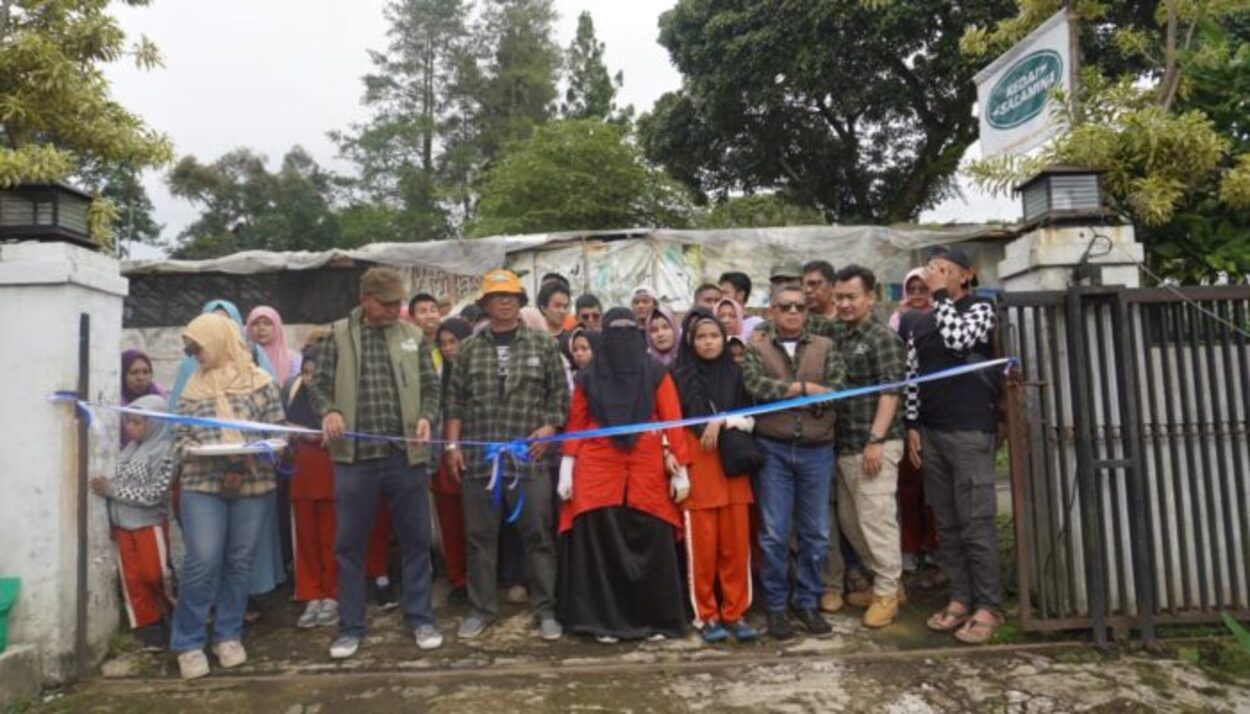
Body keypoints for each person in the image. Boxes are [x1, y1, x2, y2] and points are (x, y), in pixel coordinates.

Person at [310, 267, 444, 660]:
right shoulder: (336, 336)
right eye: (386, 304)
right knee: (349, 545)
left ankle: (420, 618)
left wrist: (426, 417)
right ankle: (350, 626)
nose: (394, 310)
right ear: (365, 299)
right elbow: (318, 387)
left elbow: (431, 388)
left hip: (406, 456)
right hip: (354, 460)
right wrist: (329, 410)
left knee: (416, 541)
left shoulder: (413, 336)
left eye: (398, 303)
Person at [444, 269, 568, 641]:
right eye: (497, 296)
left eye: (512, 296)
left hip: (528, 457)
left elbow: (560, 398)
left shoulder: (543, 345)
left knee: (539, 535)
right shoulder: (468, 349)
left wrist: (550, 427)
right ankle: (482, 608)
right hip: (481, 458)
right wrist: (451, 446)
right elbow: (455, 402)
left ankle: (546, 609)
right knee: (480, 536)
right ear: (484, 304)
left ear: (521, 302)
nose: (505, 301)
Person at [556, 307, 692, 642]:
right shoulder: (588, 376)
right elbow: (576, 423)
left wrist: (681, 469)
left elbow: (672, 420)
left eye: (629, 334)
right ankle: (604, 622)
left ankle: (656, 619)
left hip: (646, 471)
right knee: (601, 547)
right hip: (598, 472)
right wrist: (567, 467)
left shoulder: (656, 373)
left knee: (651, 542)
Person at [169, 313, 285, 680]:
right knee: (203, 559)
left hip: (253, 485)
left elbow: (277, 431)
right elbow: (179, 438)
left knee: (239, 560)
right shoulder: (192, 387)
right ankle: (188, 642)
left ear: (220, 341)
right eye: (190, 347)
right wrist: (193, 448)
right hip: (202, 484)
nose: (193, 353)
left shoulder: (260, 382)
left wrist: (258, 446)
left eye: (198, 346)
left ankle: (228, 635)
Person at [901, 246, 1004, 645]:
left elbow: (959, 341)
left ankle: (989, 604)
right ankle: (961, 597)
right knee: (947, 522)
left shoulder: (980, 308)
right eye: (931, 270)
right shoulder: (919, 323)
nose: (934, 277)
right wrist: (912, 425)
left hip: (971, 431)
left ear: (966, 275)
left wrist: (941, 295)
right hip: (933, 432)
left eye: (944, 270)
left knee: (976, 521)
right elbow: (913, 377)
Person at [742, 284, 845, 640]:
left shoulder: (826, 347)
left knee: (815, 534)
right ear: (772, 311)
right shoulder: (756, 348)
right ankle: (776, 606)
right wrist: (803, 390)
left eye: (799, 307)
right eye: (784, 306)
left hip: (817, 450)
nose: (792, 312)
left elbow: (837, 390)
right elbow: (756, 387)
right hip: (773, 450)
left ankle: (807, 601)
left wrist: (802, 394)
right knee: (774, 534)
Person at [672, 309, 758, 644]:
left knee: (736, 548)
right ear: (691, 342)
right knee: (703, 550)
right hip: (699, 470)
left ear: (724, 339)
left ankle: (735, 613)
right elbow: (670, 428)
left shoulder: (738, 374)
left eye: (714, 336)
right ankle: (706, 615)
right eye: (701, 337)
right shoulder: (677, 377)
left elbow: (754, 419)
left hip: (733, 469)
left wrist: (723, 420)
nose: (708, 343)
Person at [829, 265, 907, 628]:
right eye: (839, 297)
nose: (844, 304)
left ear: (871, 297)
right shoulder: (840, 337)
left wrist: (876, 439)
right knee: (851, 521)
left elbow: (890, 391)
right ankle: (887, 583)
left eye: (851, 297)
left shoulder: (882, 338)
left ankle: (888, 592)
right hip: (845, 446)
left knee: (877, 520)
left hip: (875, 445)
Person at [91, 394, 176, 652]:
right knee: (132, 580)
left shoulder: (167, 452)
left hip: (148, 524)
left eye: (138, 423)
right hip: (123, 527)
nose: (131, 428)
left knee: (156, 575)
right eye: (129, 422)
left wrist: (112, 490)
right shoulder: (127, 451)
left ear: (155, 424)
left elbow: (154, 494)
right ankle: (149, 625)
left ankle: (174, 614)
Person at [283, 344, 339, 629]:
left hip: (332, 482)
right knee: (305, 540)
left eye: (316, 374)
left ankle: (332, 594)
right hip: (301, 482)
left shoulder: (338, 406)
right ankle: (310, 594)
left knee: (331, 538)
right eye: (305, 373)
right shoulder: (294, 402)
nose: (310, 380)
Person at [890, 268, 938, 578]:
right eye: (913, 289)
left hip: (935, 414)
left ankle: (933, 547)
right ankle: (908, 547)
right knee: (907, 489)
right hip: (903, 416)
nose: (918, 295)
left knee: (934, 490)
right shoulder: (896, 323)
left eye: (924, 289)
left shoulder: (941, 321)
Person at [432, 318, 474, 604]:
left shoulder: (478, 372)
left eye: (453, 341)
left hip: (477, 455)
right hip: (443, 458)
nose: (448, 349)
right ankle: (458, 577)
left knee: (476, 522)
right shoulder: (436, 378)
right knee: (450, 521)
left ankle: (481, 576)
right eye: (443, 343)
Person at [247, 306, 302, 384]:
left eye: (267, 323)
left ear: (277, 327)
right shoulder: (242, 358)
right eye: (255, 323)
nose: (261, 328)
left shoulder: (294, 359)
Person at [719, 271, 763, 336]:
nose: (721, 297)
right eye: (720, 293)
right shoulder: (716, 322)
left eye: (726, 293)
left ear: (741, 295)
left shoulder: (757, 324)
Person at [409, 292, 444, 372]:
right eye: (423, 312)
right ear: (412, 318)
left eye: (433, 310)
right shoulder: (408, 346)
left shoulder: (446, 343)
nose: (430, 316)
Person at [557, 326, 596, 391]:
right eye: (575, 350)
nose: (579, 354)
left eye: (584, 348)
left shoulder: (605, 379)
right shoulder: (571, 378)